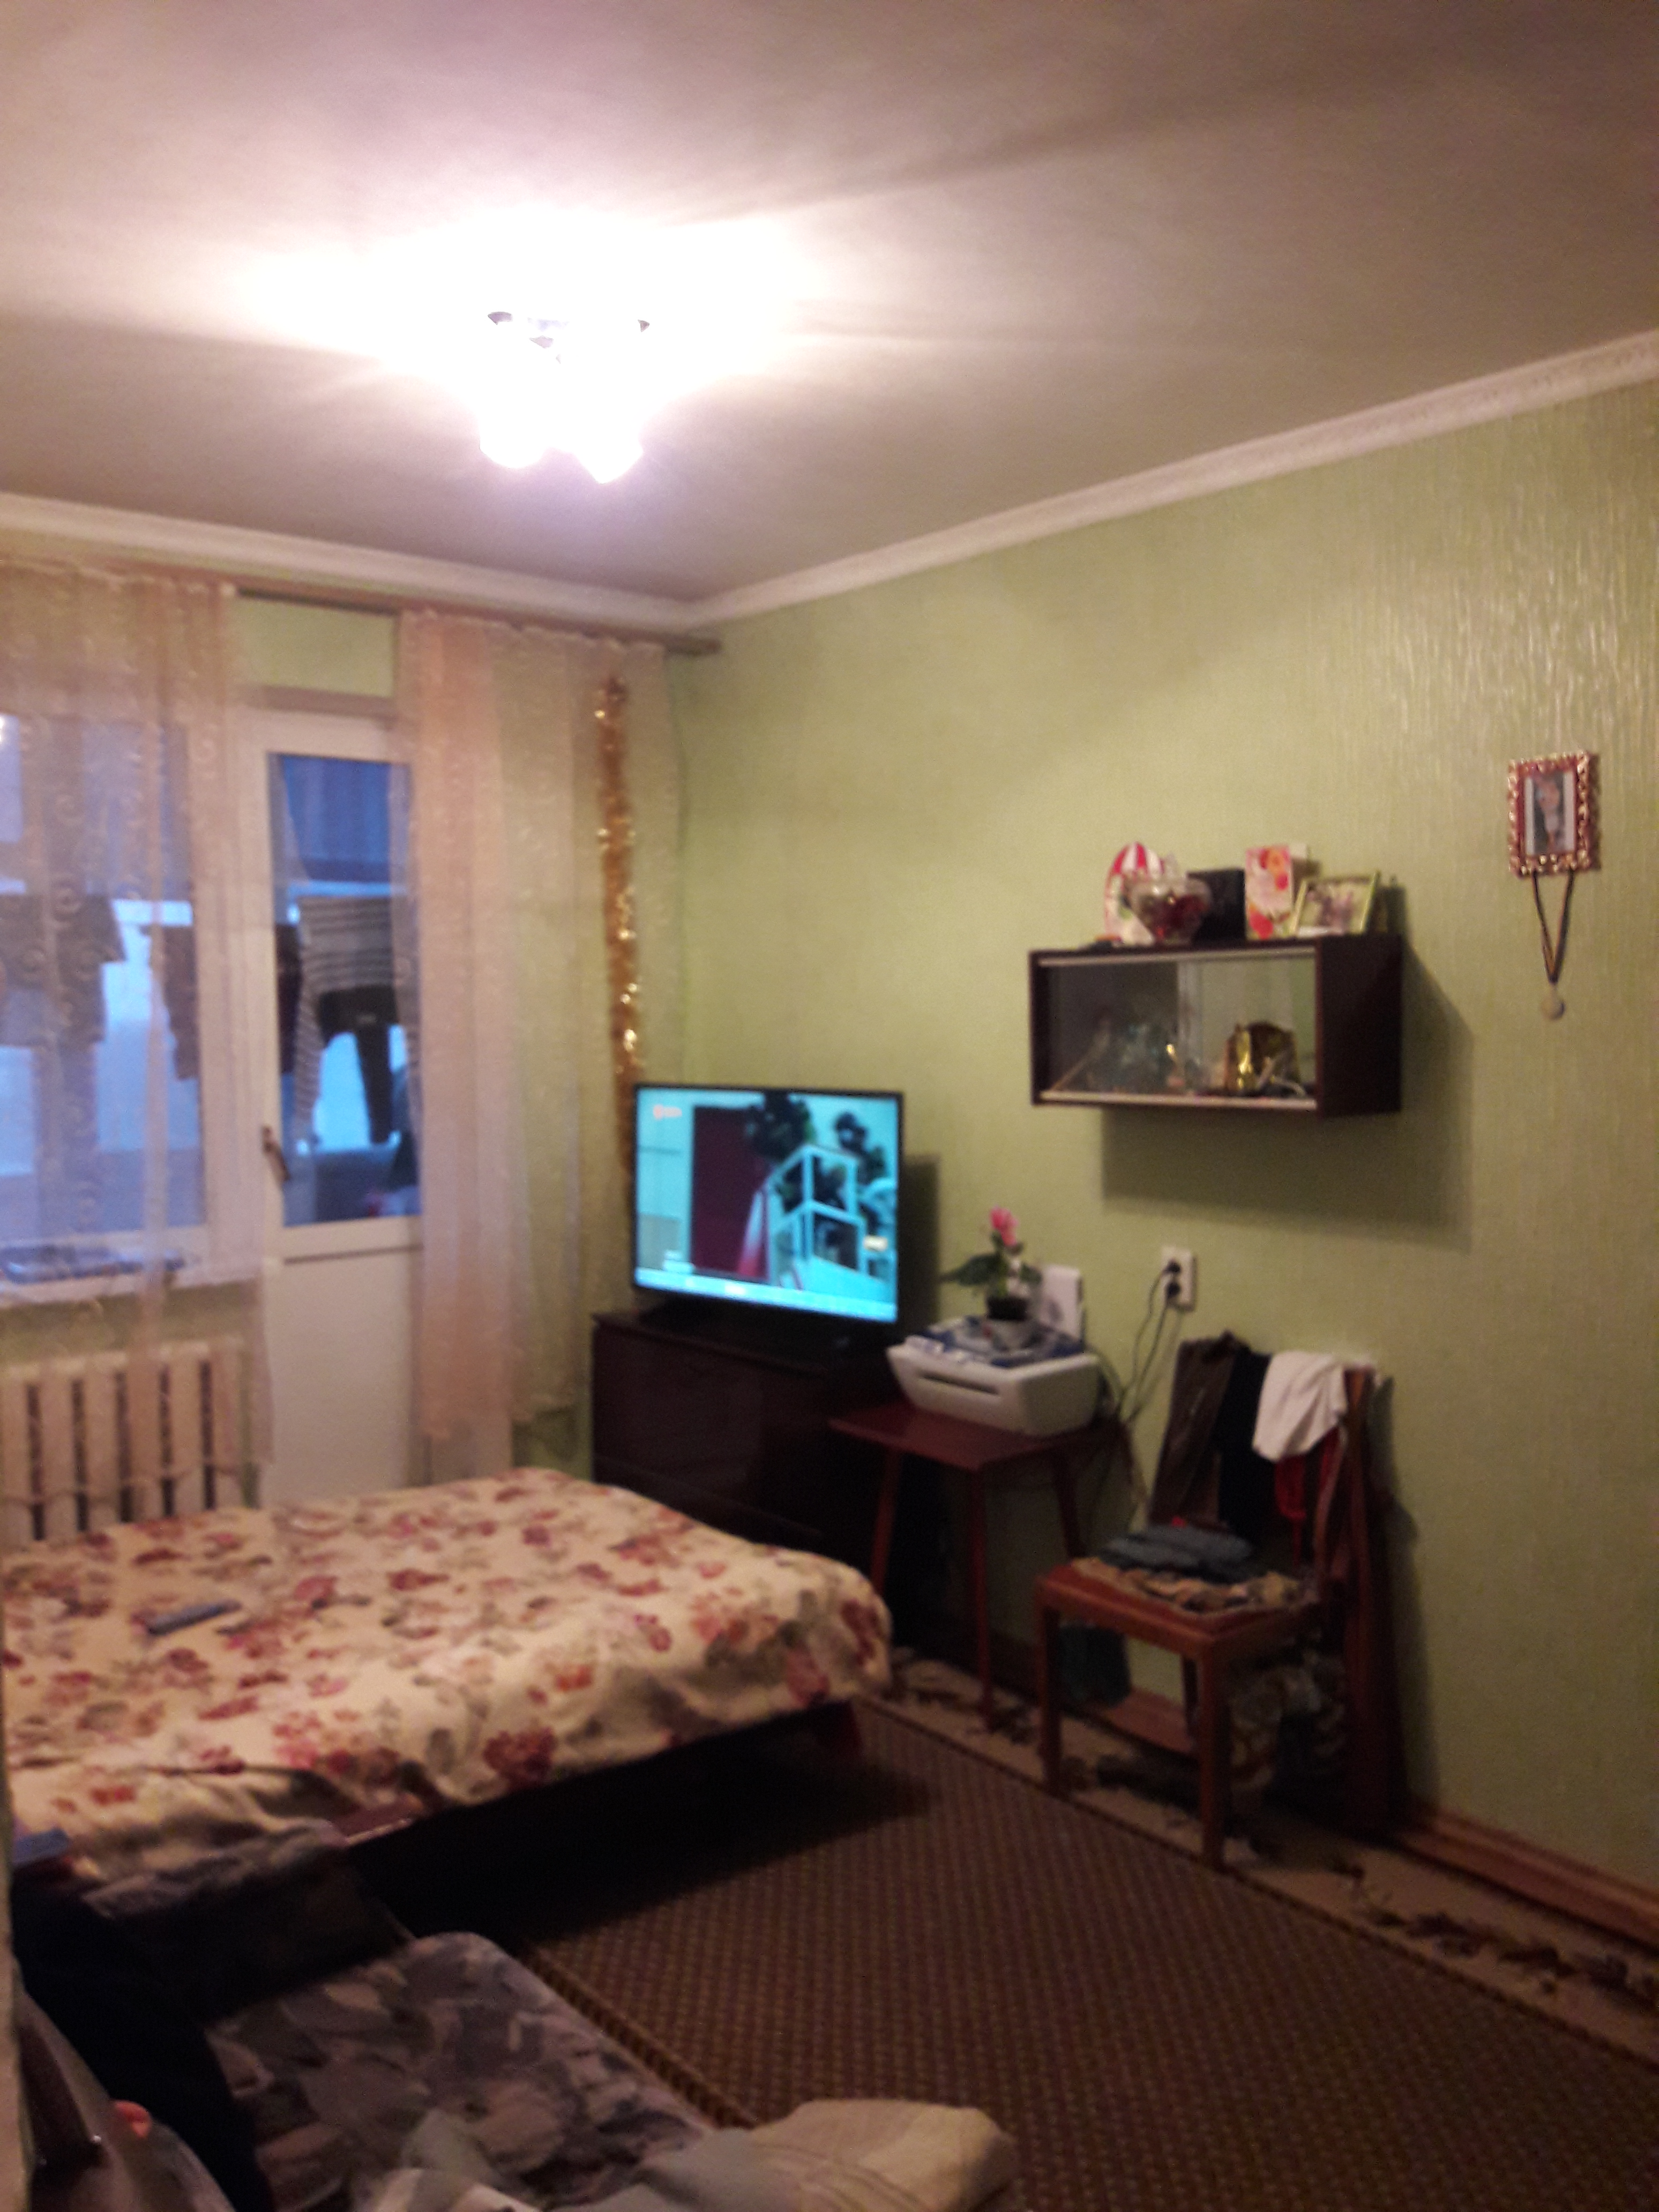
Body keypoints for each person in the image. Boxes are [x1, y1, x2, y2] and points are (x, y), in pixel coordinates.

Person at [1528, 767, 1572, 856]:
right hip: (1547, 816)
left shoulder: (1551, 787)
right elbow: (1542, 803)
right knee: (1551, 833)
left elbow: (1555, 800)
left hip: (1552, 814)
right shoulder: (1541, 792)